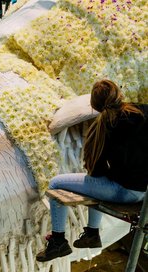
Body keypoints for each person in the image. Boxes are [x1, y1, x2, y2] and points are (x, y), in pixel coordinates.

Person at [37, 79, 147, 262]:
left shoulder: (105, 127)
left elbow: (96, 171)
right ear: (119, 94)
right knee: (99, 182)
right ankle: (92, 234)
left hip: (125, 192)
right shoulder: (144, 110)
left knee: (56, 183)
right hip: (145, 192)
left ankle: (58, 241)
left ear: (95, 106)